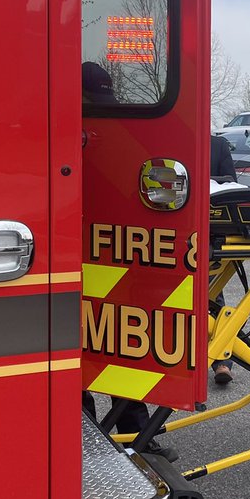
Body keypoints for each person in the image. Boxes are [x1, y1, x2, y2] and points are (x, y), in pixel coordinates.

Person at [80, 60, 177, 461]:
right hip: (79, 257)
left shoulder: (114, 132)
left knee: (121, 345)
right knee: (75, 352)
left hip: (111, 253)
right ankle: (84, 436)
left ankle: (136, 434)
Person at [210, 132, 237, 385]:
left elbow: (231, 183)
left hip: (209, 234)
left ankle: (222, 363)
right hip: (170, 233)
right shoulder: (165, 140)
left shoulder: (217, 145)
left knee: (214, 300)